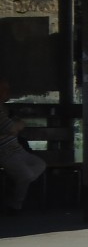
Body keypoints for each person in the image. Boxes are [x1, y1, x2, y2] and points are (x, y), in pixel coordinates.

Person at [0, 78, 46, 215]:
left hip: (16, 148)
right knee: (26, 175)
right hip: (4, 151)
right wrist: (16, 126)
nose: (7, 93)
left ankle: (17, 183)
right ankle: (15, 205)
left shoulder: (4, 108)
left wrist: (16, 126)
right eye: (3, 89)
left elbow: (16, 126)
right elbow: (13, 127)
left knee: (39, 164)